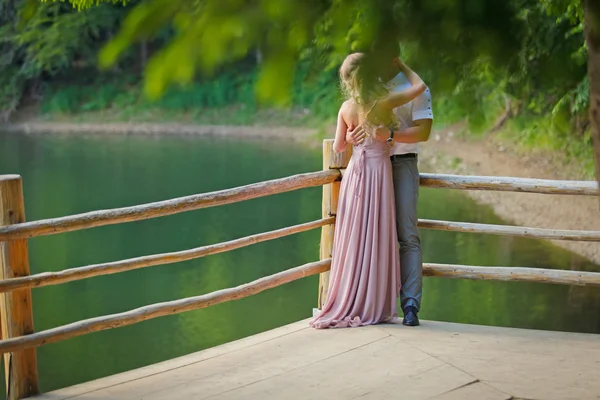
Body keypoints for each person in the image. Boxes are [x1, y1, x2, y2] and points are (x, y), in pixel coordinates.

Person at [310, 52, 426, 329]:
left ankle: (350, 297)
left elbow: (338, 148)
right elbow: (420, 87)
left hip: (354, 175)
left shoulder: (345, 108)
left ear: (348, 81)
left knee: (356, 235)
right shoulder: (382, 103)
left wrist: (350, 138)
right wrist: (402, 65)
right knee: (377, 234)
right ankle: (374, 300)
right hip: (378, 174)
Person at [346, 45, 433, 327]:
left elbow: (424, 132)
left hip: (402, 163)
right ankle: (369, 302)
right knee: (370, 234)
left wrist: (392, 134)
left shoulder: (410, 88)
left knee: (407, 234)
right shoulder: (368, 88)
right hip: (372, 169)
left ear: (393, 58)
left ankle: (410, 305)